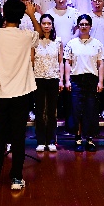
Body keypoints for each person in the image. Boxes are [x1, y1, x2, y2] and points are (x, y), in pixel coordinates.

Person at [0, 0, 43, 191]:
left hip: (0, 93)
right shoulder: (26, 35)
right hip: (21, 93)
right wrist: (32, 15)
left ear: (3, 13)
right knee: (18, 136)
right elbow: (40, 33)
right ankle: (16, 177)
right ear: (22, 15)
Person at [63, 14, 104, 152]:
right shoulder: (72, 43)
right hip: (76, 80)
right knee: (76, 110)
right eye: (81, 24)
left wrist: (100, 82)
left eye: (86, 24)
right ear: (78, 26)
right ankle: (78, 138)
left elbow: (100, 64)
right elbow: (67, 62)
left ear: (90, 26)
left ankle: (90, 139)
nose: (84, 26)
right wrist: (67, 80)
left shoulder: (97, 43)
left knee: (90, 110)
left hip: (92, 80)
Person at [32, 13, 63, 152]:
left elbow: (60, 61)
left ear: (52, 25)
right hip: (38, 78)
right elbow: (32, 60)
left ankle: (51, 141)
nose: (46, 26)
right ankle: (40, 141)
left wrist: (61, 79)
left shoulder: (58, 41)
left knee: (52, 111)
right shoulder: (35, 41)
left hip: (53, 78)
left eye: (48, 23)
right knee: (39, 111)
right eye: (43, 23)